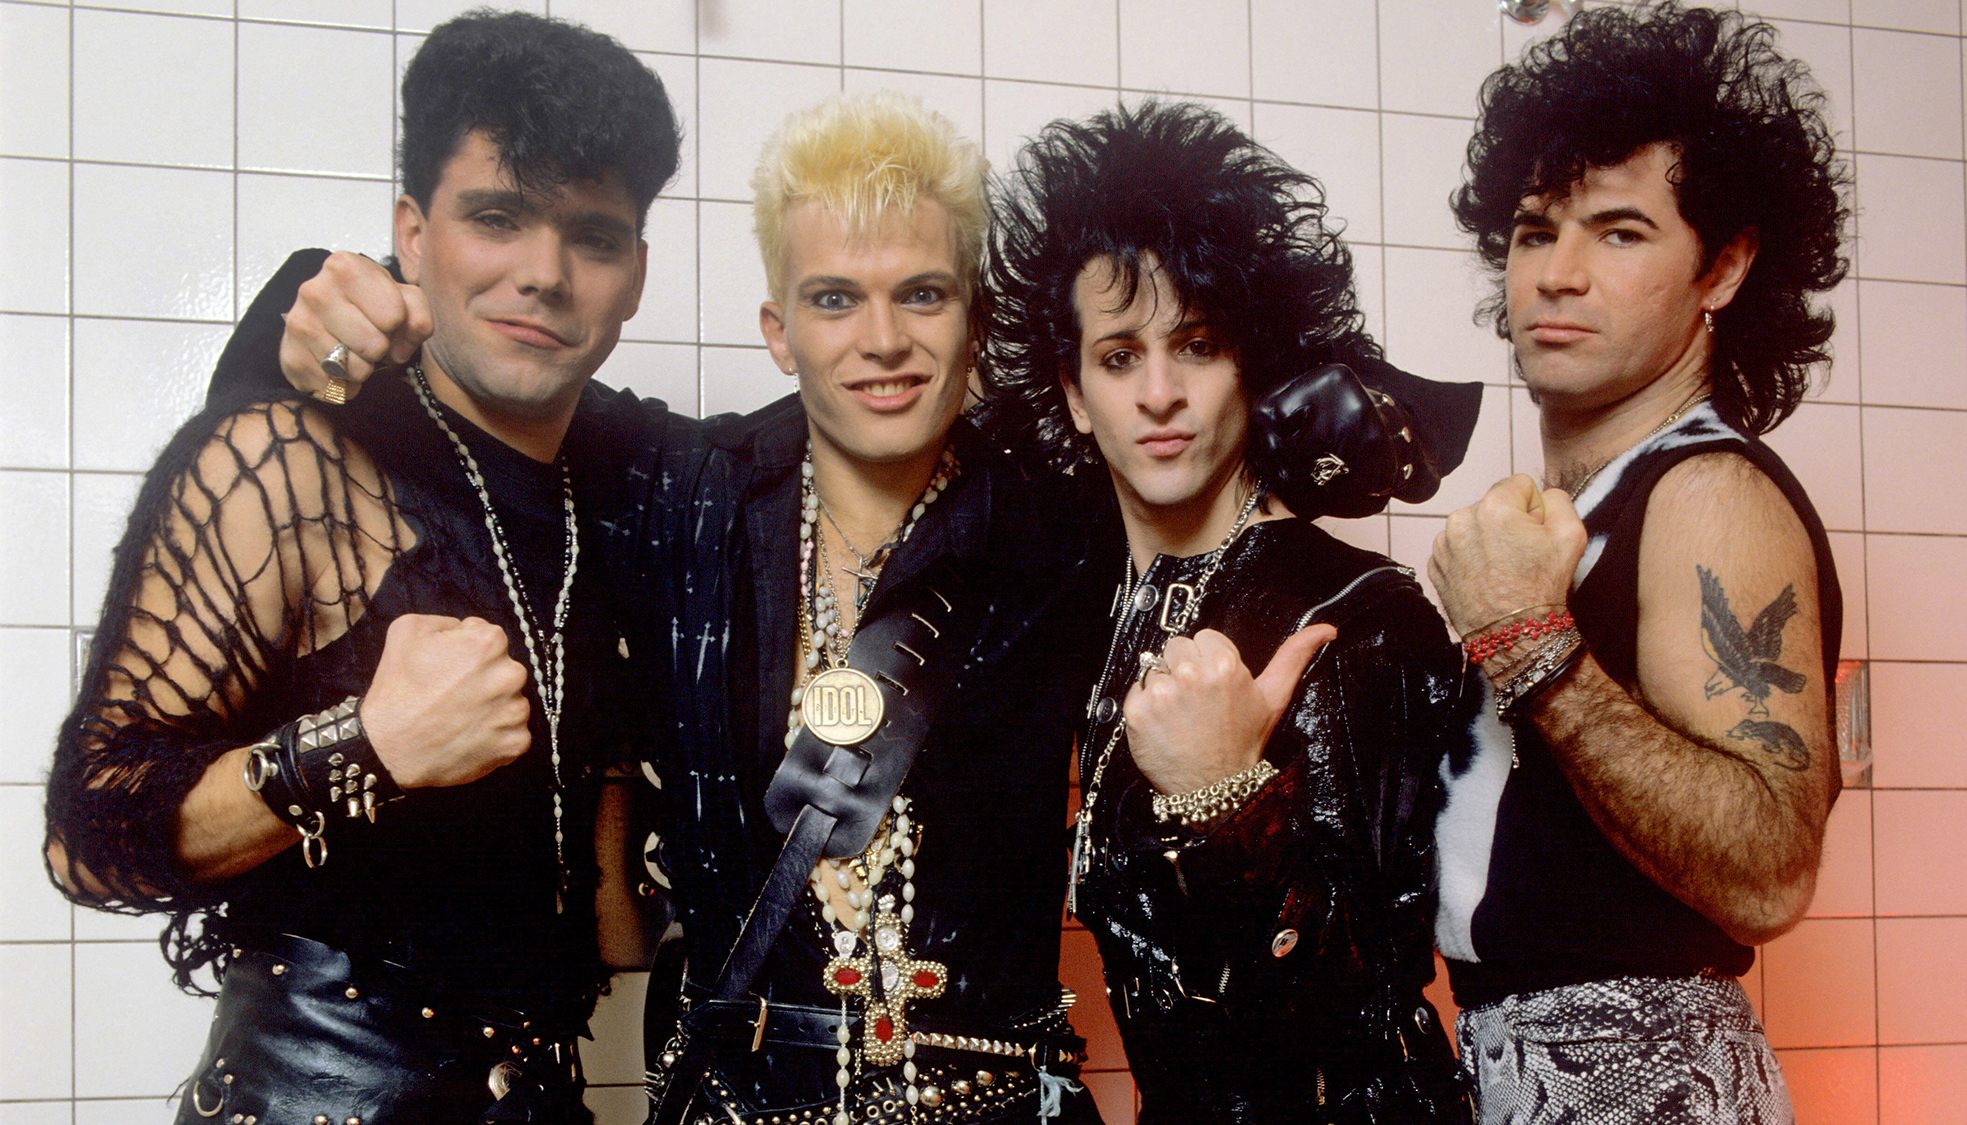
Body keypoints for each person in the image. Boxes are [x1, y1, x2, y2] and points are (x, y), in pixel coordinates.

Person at [205, 92, 1114, 1125]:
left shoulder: (1065, 523)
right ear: (777, 330)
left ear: (975, 321)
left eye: (921, 295)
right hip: (740, 1104)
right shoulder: (683, 486)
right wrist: (323, 302)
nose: (881, 341)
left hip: (995, 1104)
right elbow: (456, 383)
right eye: (831, 299)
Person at [42, 11, 680, 1123]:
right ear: (412, 235)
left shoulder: (630, 481)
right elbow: (86, 839)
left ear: (634, 274)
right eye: (495, 218)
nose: (542, 273)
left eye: (591, 236)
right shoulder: (282, 459)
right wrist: (360, 747)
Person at [979, 100, 1482, 1124]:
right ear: (1073, 393)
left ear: (1250, 368)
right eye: (1118, 356)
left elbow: (1356, 998)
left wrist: (1226, 802)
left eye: (1195, 347)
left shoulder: (1352, 616)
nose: (1158, 392)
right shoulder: (1093, 613)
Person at [1424, 4, 1849, 1122]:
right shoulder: (1577, 509)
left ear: (1721, 268)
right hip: (1507, 1063)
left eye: (1616, 232)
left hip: (1645, 1076)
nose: (1556, 274)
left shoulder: (1708, 494)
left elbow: (1765, 871)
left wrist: (1523, 639)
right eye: (1531, 231)